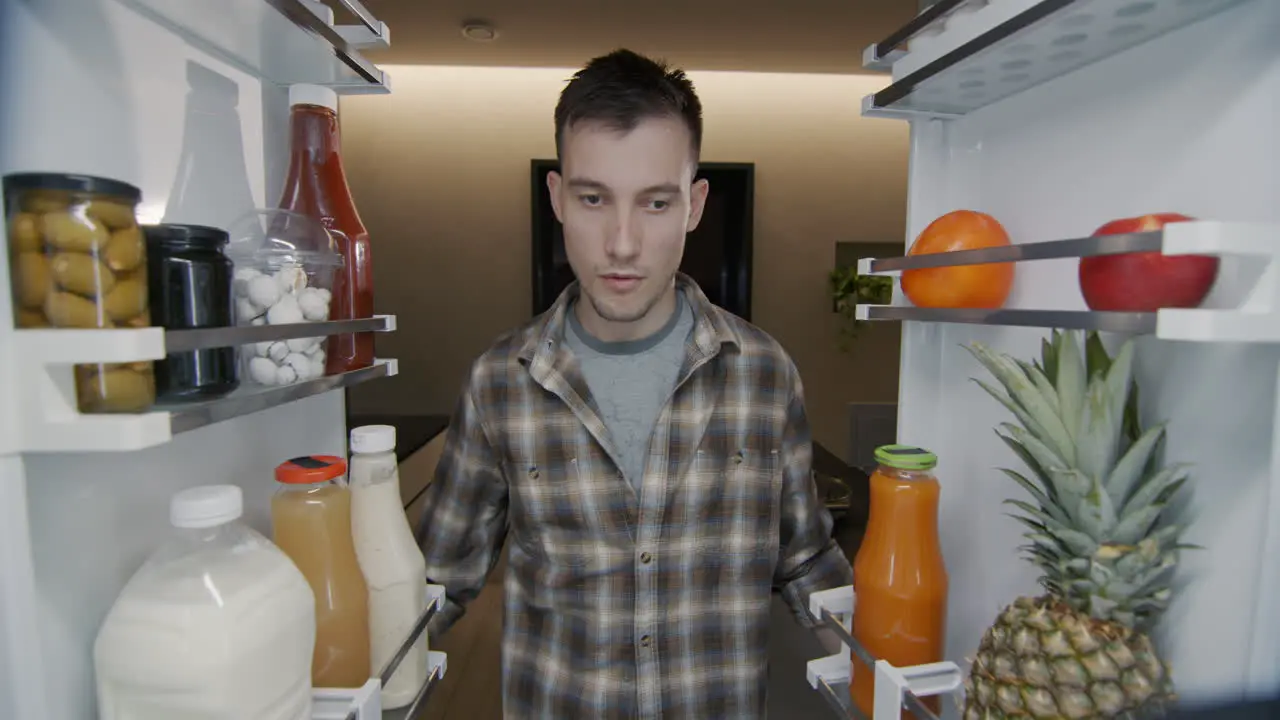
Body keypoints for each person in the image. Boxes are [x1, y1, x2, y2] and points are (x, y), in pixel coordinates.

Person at [416, 47, 853, 719]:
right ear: (558, 198)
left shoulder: (765, 374)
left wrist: (888, 662)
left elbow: (806, 563)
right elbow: (436, 583)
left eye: (654, 203)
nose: (622, 243)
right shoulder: (498, 383)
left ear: (694, 205)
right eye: (594, 199)